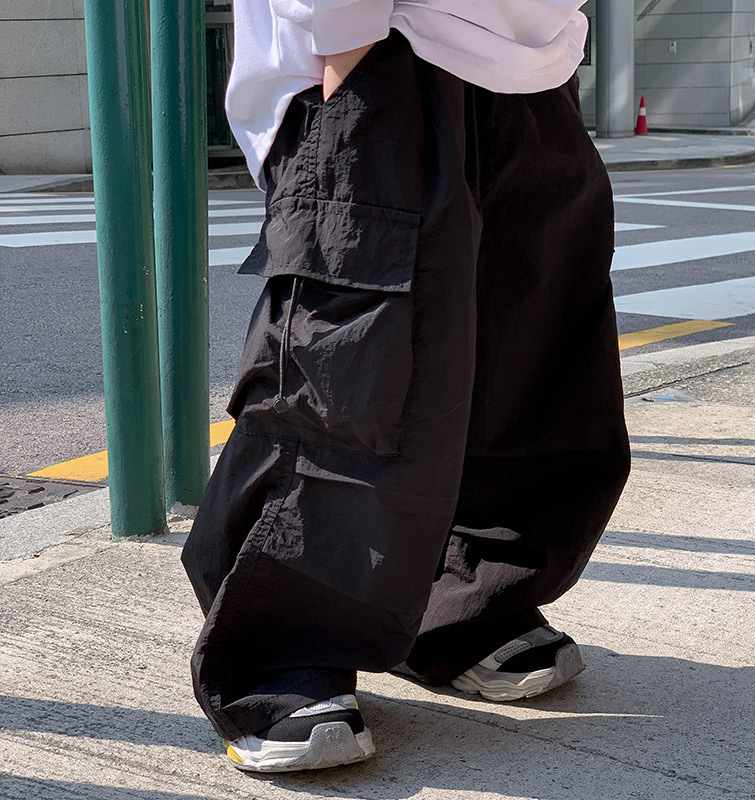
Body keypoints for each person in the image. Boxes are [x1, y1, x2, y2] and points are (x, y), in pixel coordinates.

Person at [182, 0, 630, 774]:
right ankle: (281, 649)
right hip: (381, 51)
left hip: (531, 60)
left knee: (528, 356)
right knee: (353, 376)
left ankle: (463, 603)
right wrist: (344, 44)